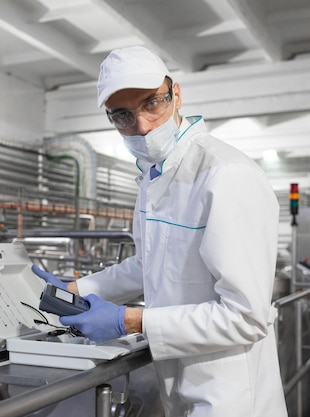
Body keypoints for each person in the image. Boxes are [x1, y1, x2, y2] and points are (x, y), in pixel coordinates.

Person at [33, 45, 288, 417]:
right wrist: (75, 290)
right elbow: (150, 263)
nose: (142, 126)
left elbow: (246, 316)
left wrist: (129, 320)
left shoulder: (227, 175)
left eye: (152, 103)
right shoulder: (154, 176)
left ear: (176, 95)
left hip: (231, 397)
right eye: (122, 116)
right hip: (182, 386)